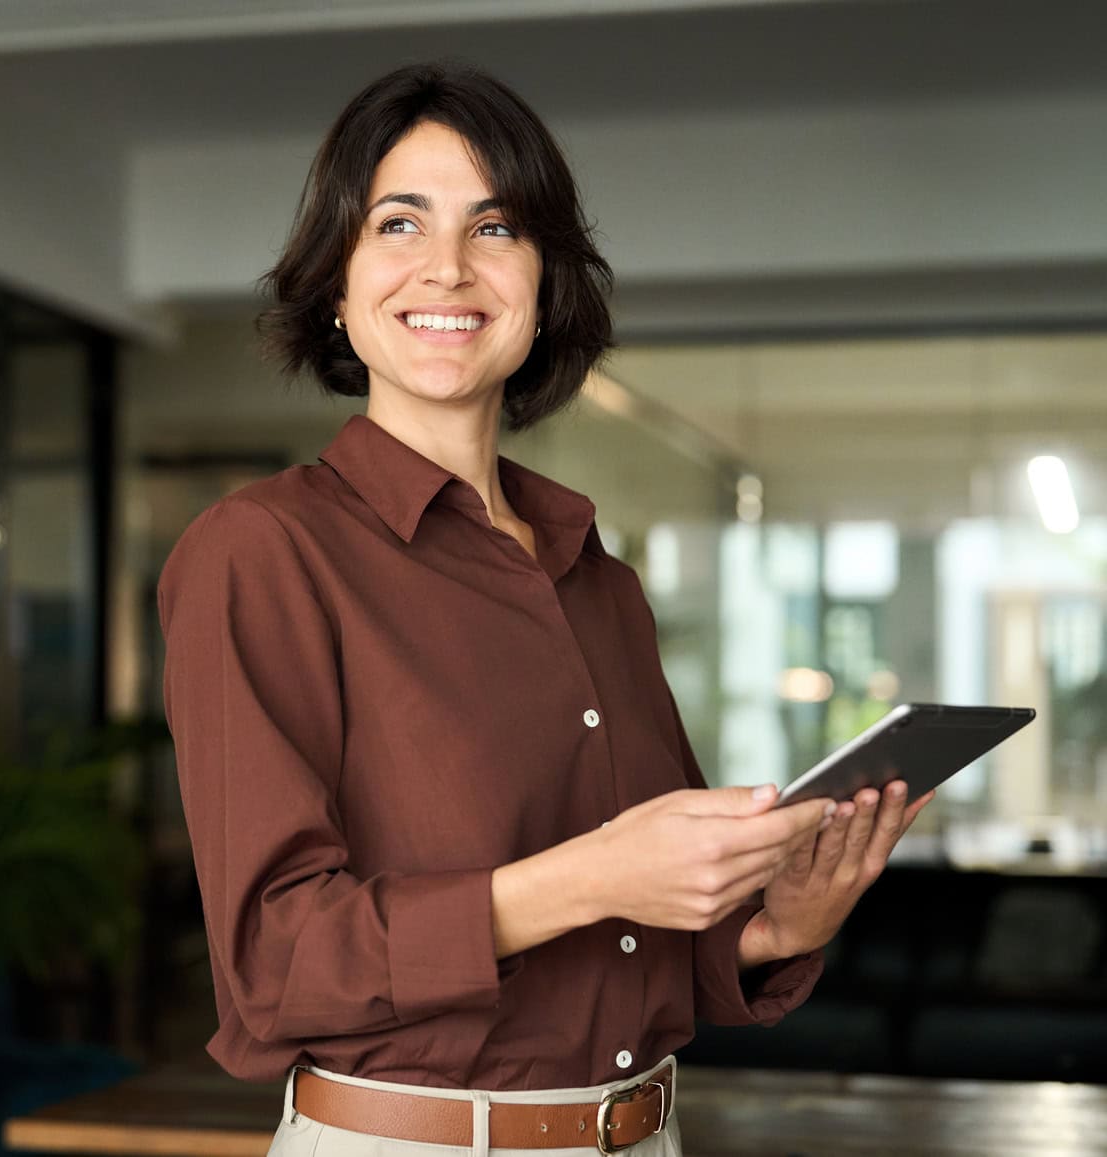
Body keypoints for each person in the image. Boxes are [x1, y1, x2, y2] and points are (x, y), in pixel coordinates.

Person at [155, 62, 934, 1157]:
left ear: (543, 282)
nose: (448, 267)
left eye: (496, 228)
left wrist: (772, 926)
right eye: (397, 223)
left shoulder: (596, 579)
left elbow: (637, 949)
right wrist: (591, 874)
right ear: (336, 280)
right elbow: (278, 961)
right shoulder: (262, 551)